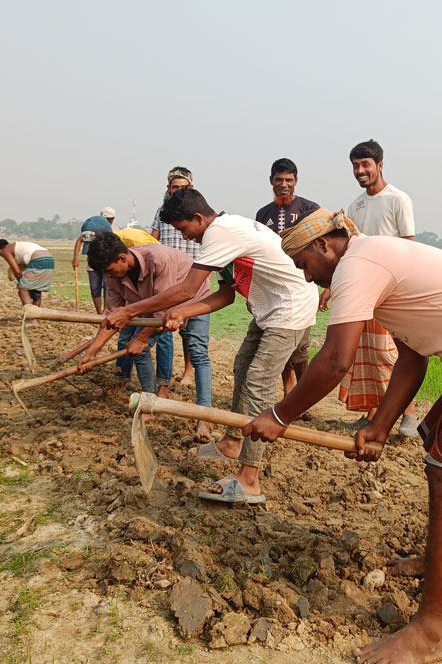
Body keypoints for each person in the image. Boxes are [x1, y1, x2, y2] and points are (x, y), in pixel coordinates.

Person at [245, 208, 442, 664]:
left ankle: (430, 632)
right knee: (434, 441)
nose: (306, 275)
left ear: (324, 246)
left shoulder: (358, 266)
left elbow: (335, 360)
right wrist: (379, 426)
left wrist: (279, 415)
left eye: (303, 264)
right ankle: (439, 561)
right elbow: (413, 357)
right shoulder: (376, 258)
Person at [106, 188, 318, 503]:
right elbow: (226, 295)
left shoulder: (220, 233)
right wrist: (181, 312)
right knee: (242, 366)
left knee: (259, 380)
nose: (185, 237)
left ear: (198, 218)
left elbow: (187, 288)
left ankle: (249, 479)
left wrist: (130, 310)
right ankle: (233, 441)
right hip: (269, 308)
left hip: (289, 310)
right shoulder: (224, 234)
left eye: (183, 229)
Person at [76, 232, 212, 414]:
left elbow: (164, 308)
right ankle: (150, 402)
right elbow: (112, 317)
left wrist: (141, 338)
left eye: (109, 270)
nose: (107, 276)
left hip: (194, 300)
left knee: (197, 353)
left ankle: (204, 415)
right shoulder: (114, 277)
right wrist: (91, 353)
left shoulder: (158, 260)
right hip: (155, 303)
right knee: (136, 349)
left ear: (122, 258)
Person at [340, 139, 420, 437]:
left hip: (392, 287)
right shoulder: (355, 205)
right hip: (364, 287)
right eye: (356, 166)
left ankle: (409, 415)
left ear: (380, 165)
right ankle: (371, 414)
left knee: (390, 353)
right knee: (365, 353)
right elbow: (352, 247)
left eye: (366, 165)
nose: (360, 171)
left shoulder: (398, 199)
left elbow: (409, 245)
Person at [254, 158, 320, 395]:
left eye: (289, 180)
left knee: (301, 347)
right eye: (279, 180)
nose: (284, 184)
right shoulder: (263, 214)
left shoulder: (310, 209)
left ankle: (304, 393)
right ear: (271, 181)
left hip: (302, 287)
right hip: (273, 289)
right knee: (275, 336)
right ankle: (288, 388)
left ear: (296, 181)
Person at [151, 166, 203, 389]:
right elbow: (153, 240)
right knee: (165, 326)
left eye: (183, 187)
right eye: (175, 187)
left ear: (191, 187)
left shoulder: (196, 210)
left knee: (190, 330)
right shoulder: (161, 212)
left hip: (192, 274)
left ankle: (189, 371)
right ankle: (164, 378)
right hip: (167, 275)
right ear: (168, 188)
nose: (178, 190)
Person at [73, 207, 118, 314]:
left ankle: (105, 311)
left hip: (108, 262)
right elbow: (80, 240)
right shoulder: (92, 228)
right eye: (106, 218)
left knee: (108, 287)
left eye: (111, 218)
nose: (109, 221)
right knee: (95, 287)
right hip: (92, 262)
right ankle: (99, 312)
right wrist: (76, 257)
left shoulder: (115, 230)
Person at [0, 239, 54, 308]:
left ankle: (30, 317)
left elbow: (17, 271)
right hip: (49, 258)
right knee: (36, 293)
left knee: (23, 290)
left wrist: (20, 283)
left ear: (0, 250)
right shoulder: (16, 247)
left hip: (37, 258)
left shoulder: (6, 250)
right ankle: (34, 315)